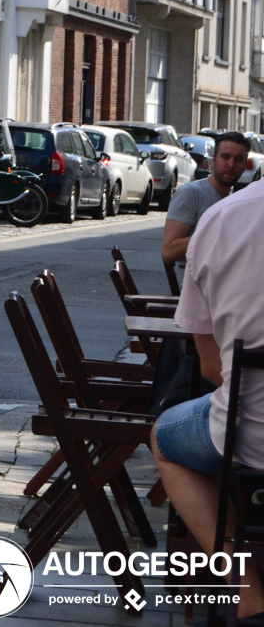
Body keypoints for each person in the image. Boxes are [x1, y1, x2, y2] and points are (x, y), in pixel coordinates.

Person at [151, 175, 264, 623]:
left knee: (165, 436)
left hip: (248, 437)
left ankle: (248, 594)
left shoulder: (219, 221)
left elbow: (212, 368)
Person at [161, 131, 250, 264]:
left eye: (238, 159)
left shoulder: (236, 201)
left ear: (244, 166)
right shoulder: (191, 193)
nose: (231, 165)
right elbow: (169, 251)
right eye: (225, 157)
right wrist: (217, 235)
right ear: (213, 160)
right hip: (196, 282)